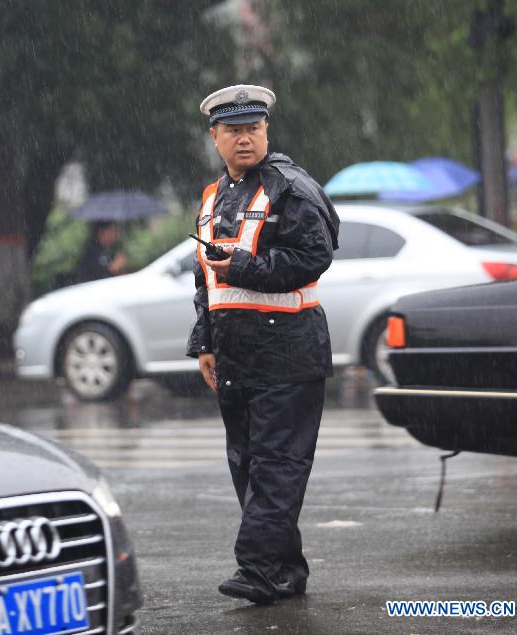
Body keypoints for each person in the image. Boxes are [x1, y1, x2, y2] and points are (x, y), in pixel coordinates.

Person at [187, 84, 340, 604]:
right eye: (233, 130)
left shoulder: (290, 187)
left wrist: (249, 267)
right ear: (215, 138)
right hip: (235, 356)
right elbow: (206, 281)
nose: (244, 138)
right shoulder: (212, 197)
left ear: (266, 131)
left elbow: (315, 255)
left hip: (288, 352)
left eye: (253, 128)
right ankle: (284, 571)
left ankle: (256, 568)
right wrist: (204, 342)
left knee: (276, 465)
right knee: (250, 466)